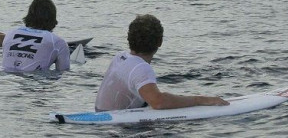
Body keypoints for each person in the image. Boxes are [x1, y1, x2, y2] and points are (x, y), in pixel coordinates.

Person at [95, 14, 229, 111]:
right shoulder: (140, 67)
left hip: (102, 118)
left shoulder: (120, 57)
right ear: (160, 42)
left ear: (129, 38)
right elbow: (158, 102)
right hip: (118, 127)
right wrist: (200, 100)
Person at [2, 0, 70, 73]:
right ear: (53, 18)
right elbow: (63, 72)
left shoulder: (10, 34)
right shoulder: (57, 41)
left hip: (6, 76)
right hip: (35, 80)